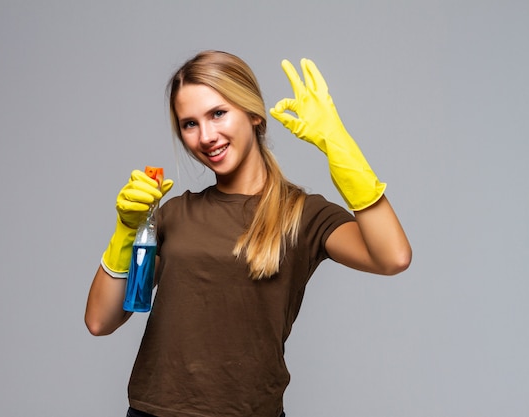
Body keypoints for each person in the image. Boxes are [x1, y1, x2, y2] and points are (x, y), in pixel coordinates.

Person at [85, 50, 412, 417]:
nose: (206, 136)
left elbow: (393, 257)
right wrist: (127, 231)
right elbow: (101, 320)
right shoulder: (173, 214)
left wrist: (340, 146)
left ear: (254, 114)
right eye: (189, 123)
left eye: (218, 113)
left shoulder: (303, 215)